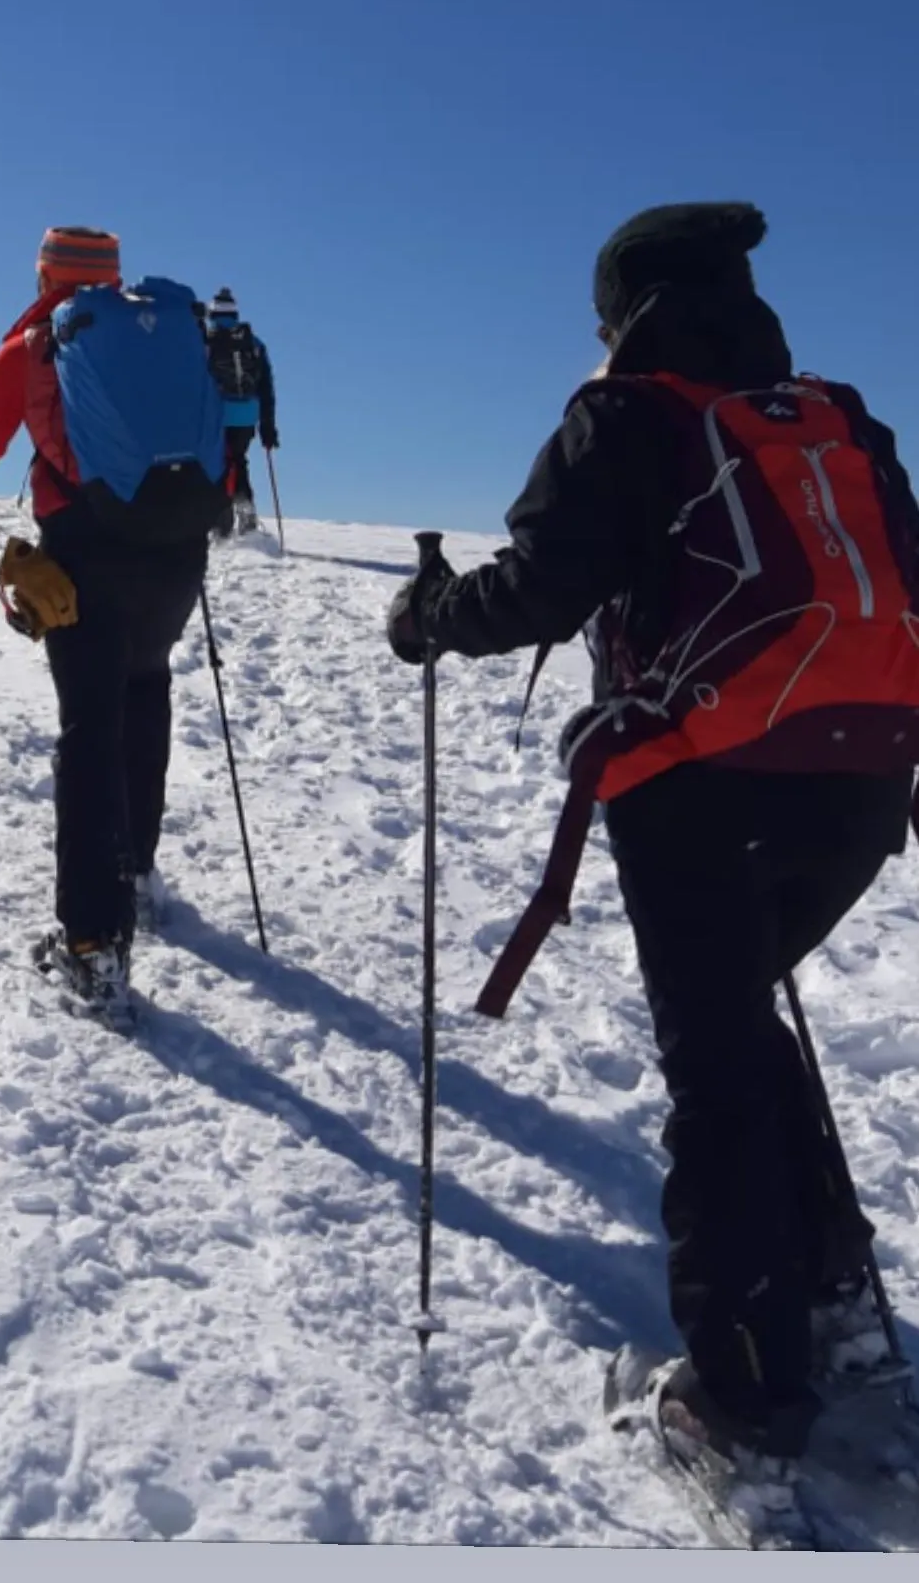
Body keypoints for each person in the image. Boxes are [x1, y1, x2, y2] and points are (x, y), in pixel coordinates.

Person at [387, 203, 919, 1471]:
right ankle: (836, 1304)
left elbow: (540, 586)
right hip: (860, 777)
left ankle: (741, 1400)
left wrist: (429, 618)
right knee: (743, 1020)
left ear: (624, 309)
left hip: (702, 783)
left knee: (718, 1063)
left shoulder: (625, 416)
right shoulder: (834, 416)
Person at [0, 226, 211, 1009]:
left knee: (89, 730)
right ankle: (136, 876)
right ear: (111, 277)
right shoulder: (168, 335)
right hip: (177, 552)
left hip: (86, 557)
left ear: (44, 272)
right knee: (146, 690)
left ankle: (91, 942)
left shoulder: (35, 346)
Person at [206, 288, 278, 533]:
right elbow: (266, 386)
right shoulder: (254, 344)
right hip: (248, 414)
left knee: (217, 464)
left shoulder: (206, 341)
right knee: (238, 459)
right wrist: (268, 426)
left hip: (216, 414)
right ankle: (245, 510)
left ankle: (222, 522)